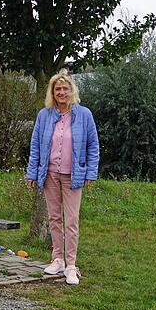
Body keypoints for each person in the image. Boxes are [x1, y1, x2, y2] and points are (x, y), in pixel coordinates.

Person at [25, 70, 100, 285]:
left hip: (74, 175)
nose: (61, 92)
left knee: (72, 220)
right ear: (52, 92)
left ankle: (71, 265)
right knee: (54, 218)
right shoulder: (44, 115)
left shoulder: (84, 114)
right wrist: (32, 172)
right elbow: (36, 146)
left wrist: (90, 172)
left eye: (65, 88)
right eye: (57, 89)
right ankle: (57, 258)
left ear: (71, 91)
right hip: (50, 174)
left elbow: (93, 145)